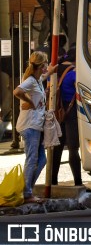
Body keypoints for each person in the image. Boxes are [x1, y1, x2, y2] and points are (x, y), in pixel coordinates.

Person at [12, 51, 57, 204]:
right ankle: (26, 193)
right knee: (32, 159)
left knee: (42, 160)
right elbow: (17, 91)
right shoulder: (31, 80)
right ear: (40, 65)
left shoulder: (37, 80)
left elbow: (45, 75)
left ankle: (27, 189)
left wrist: (51, 70)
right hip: (29, 126)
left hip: (35, 126)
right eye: (45, 64)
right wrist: (29, 102)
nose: (47, 66)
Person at [51, 46, 89, 190]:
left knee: (57, 148)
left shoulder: (55, 70)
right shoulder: (74, 73)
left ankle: (53, 180)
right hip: (71, 112)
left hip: (57, 112)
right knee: (73, 149)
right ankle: (78, 182)